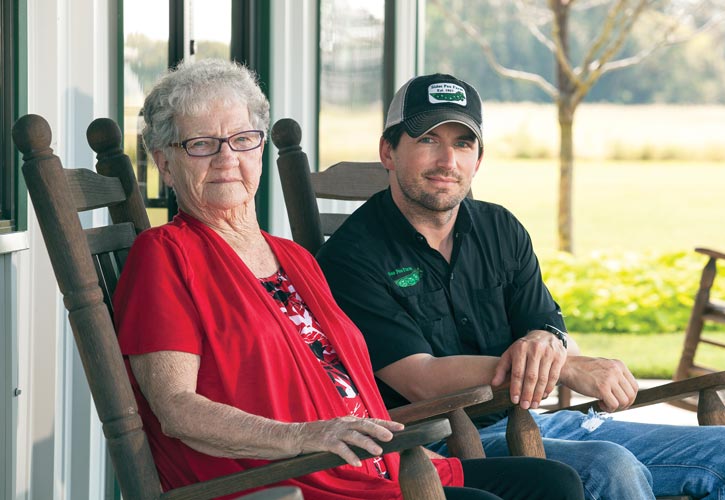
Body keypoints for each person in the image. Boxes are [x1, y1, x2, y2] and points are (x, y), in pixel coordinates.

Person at [113, 59, 584, 500]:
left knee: (553, 483)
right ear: (164, 162)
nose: (226, 159)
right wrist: (302, 436)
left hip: (375, 469)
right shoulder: (165, 257)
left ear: (258, 149)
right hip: (285, 483)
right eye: (200, 144)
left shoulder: (293, 257)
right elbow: (176, 408)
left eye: (242, 139)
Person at [316, 73, 725, 500]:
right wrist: (561, 367)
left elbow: (547, 328)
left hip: (535, 423)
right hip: (439, 443)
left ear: (478, 161)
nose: (448, 161)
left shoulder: (500, 227)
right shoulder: (351, 258)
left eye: (463, 143)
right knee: (609, 466)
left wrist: (547, 342)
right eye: (429, 139)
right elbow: (421, 379)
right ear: (388, 151)